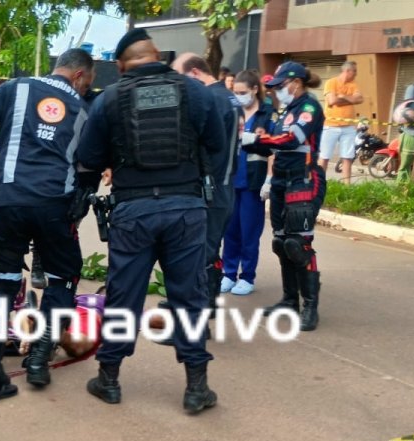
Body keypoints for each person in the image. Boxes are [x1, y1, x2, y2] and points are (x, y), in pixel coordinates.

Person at [74, 29, 226, 414]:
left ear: (121, 64)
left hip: (133, 211)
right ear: (157, 55)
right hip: (186, 209)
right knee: (189, 296)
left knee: (124, 296)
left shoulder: (110, 98)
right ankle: (197, 388)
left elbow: (89, 157)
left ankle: (109, 379)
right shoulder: (196, 92)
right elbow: (217, 145)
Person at [0, 48, 95, 403]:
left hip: (5, 202)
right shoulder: (83, 110)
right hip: (53, 208)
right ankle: (39, 362)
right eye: (87, 82)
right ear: (79, 75)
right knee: (63, 279)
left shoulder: (15, 88)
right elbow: (88, 168)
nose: (86, 89)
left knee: (4, 285)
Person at [242, 61, 325, 331]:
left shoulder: (309, 108)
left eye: (280, 86)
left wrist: (256, 139)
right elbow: (273, 147)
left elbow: (291, 139)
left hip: (303, 181)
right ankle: (289, 300)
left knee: (298, 244)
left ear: (296, 83)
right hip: (280, 181)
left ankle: (310, 307)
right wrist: (250, 140)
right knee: (281, 243)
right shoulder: (285, 111)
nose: (276, 91)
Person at [172, 53, 240, 301]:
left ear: (194, 73)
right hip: (224, 184)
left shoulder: (212, 99)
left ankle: (201, 306)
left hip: (214, 186)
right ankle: (205, 302)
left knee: (202, 251)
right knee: (209, 248)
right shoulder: (227, 97)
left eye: (181, 78)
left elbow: (204, 144)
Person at [222, 70, 275, 296]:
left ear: (255, 89)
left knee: (249, 233)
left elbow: (274, 149)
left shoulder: (267, 115)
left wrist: (269, 179)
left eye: (242, 92)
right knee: (230, 231)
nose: (239, 96)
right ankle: (228, 273)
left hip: (253, 182)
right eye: (235, 92)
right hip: (231, 179)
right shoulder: (232, 111)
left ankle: (247, 276)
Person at [320, 61, 363, 184]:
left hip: (349, 126)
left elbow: (360, 99)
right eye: (354, 71)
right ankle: (319, 183)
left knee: (347, 157)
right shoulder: (331, 82)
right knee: (324, 156)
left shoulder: (353, 84)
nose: (356, 74)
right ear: (347, 71)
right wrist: (350, 99)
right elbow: (332, 101)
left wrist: (343, 96)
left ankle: (346, 185)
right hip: (330, 125)